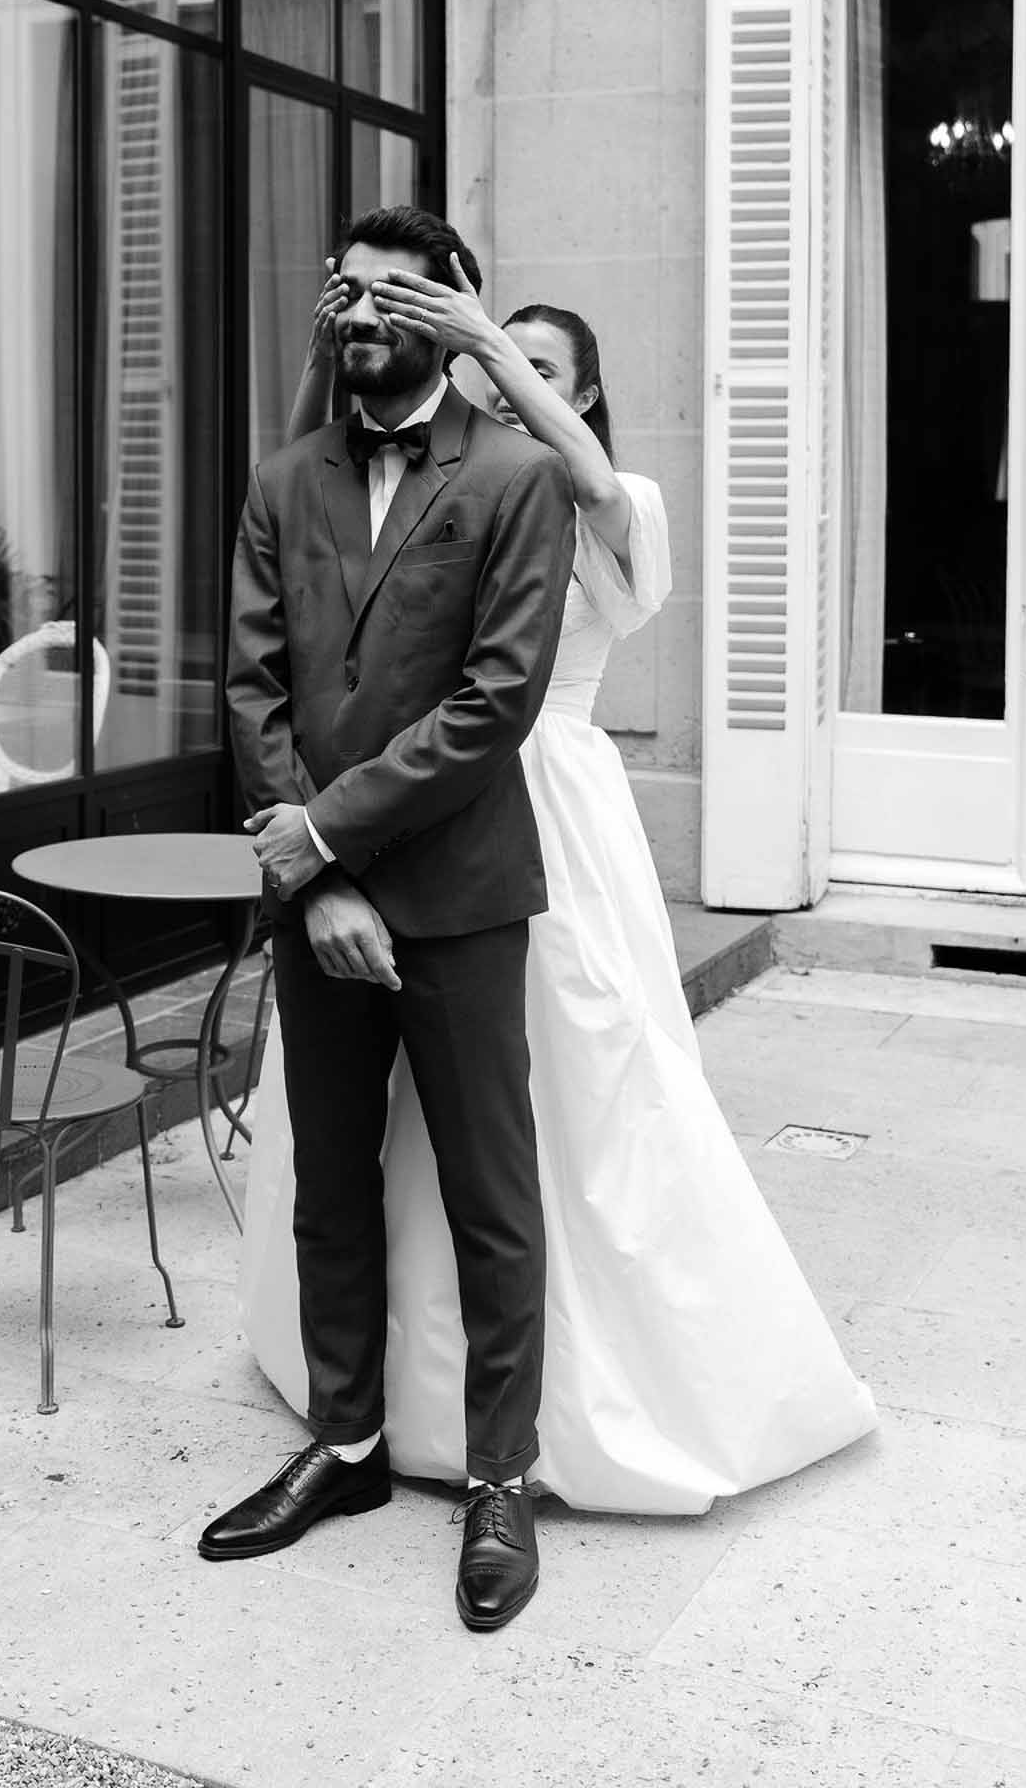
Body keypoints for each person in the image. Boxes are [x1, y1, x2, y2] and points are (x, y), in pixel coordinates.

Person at [239, 257, 878, 1519]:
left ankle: (509, 1450)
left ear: (579, 390)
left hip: (535, 813)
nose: (491, 370)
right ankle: (362, 1416)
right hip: (376, 812)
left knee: (546, 1120)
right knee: (356, 1148)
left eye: (534, 362)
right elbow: (308, 565)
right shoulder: (394, 465)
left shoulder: (583, 483)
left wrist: (490, 342)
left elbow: (565, 550)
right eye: (485, 353)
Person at [203, 206, 575, 1634]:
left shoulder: (516, 478)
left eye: (395, 300)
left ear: (448, 318)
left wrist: (328, 833)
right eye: (346, 294)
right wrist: (324, 879)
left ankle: (499, 1478)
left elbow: (494, 706)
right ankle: (346, 1444)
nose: (362, 318)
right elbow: (251, 693)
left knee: (492, 1194)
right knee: (330, 1185)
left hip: (467, 898)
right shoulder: (281, 478)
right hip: (324, 902)